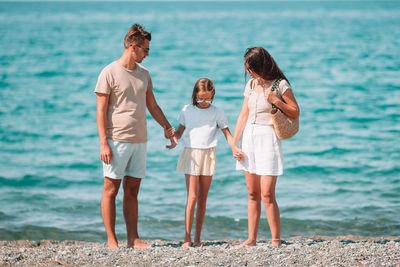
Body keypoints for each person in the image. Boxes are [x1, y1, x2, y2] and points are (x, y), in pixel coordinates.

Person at [94, 24, 177, 249]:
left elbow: (152, 105)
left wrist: (167, 128)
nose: (148, 54)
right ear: (134, 47)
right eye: (146, 50)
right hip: (116, 140)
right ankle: (112, 240)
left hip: (140, 140)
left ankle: (133, 239)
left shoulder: (145, 74)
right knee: (110, 190)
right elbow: (100, 111)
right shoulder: (108, 72)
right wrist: (103, 143)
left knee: (132, 191)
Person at [231, 47, 300, 247]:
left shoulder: (280, 84)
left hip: (268, 139)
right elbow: (243, 115)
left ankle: (275, 239)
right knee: (252, 194)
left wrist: (276, 100)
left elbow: (295, 112)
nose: (248, 72)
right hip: (249, 139)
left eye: (251, 68)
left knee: (267, 194)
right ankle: (251, 239)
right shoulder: (251, 85)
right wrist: (234, 144)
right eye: (246, 68)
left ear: (261, 65)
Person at [172, 78, 234, 248]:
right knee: (192, 196)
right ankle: (187, 238)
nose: (204, 102)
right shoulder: (187, 110)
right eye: (200, 98)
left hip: (208, 154)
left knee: (203, 198)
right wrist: (173, 139)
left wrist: (234, 147)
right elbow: (178, 132)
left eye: (208, 98)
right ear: (195, 96)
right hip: (191, 152)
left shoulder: (217, 111)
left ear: (213, 95)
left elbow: (227, 133)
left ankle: (197, 238)